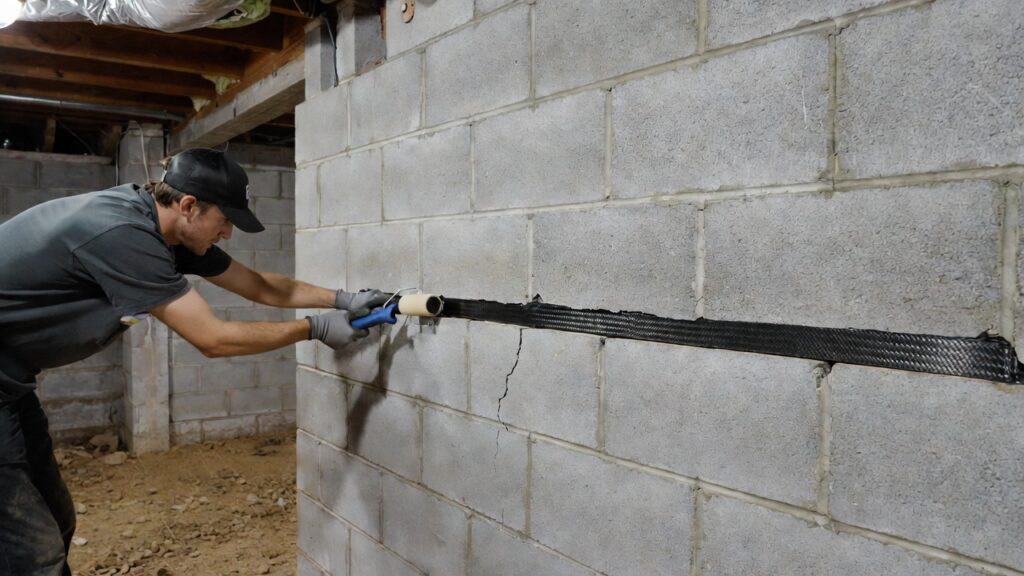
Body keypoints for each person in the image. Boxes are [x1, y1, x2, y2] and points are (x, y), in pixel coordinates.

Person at [0, 148, 386, 575]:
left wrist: (342, 299)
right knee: (32, 555)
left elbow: (258, 286)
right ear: (188, 206)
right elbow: (213, 339)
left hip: (11, 383)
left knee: (56, 521)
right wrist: (314, 329)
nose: (227, 235)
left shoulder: (164, 229)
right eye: (225, 222)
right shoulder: (123, 235)